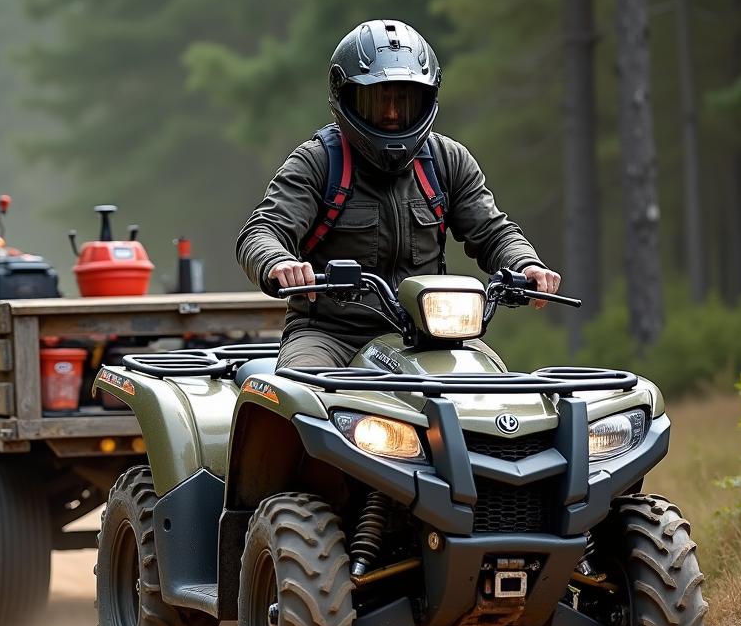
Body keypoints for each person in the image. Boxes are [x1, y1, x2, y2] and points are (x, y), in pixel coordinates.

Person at [236, 19, 561, 368]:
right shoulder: (318, 162)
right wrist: (278, 263)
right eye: (378, 99)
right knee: (304, 395)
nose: (392, 114)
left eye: (403, 100)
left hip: (431, 335)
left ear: (427, 98)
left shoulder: (446, 161)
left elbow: (494, 232)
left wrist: (526, 264)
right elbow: (262, 231)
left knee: (494, 395)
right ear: (345, 96)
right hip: (331, 335)